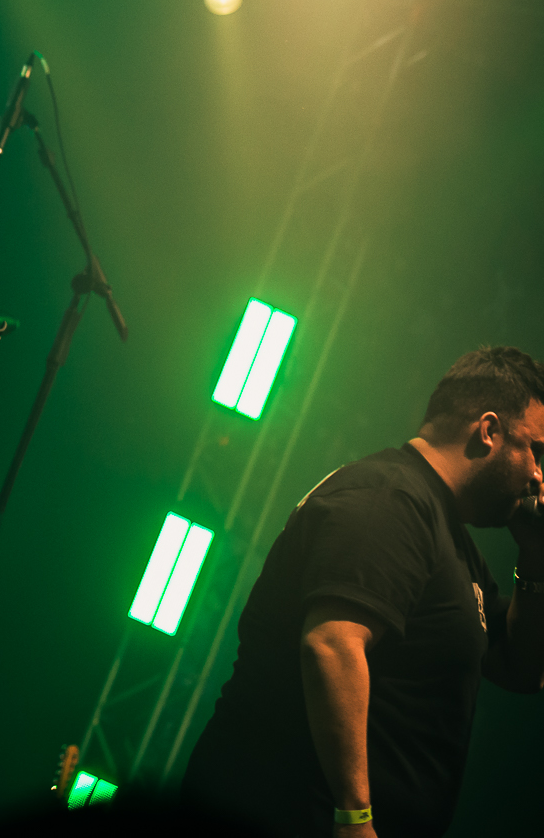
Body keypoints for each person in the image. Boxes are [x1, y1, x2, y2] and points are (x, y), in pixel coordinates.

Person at [181, 346, 544, 838]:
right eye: (536, 450)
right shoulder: (389, 499)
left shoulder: (451, 539)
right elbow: (332, 643)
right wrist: (354, 818)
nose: (539, 475)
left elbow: (522, 668)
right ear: (488, 430)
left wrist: (537, 555)